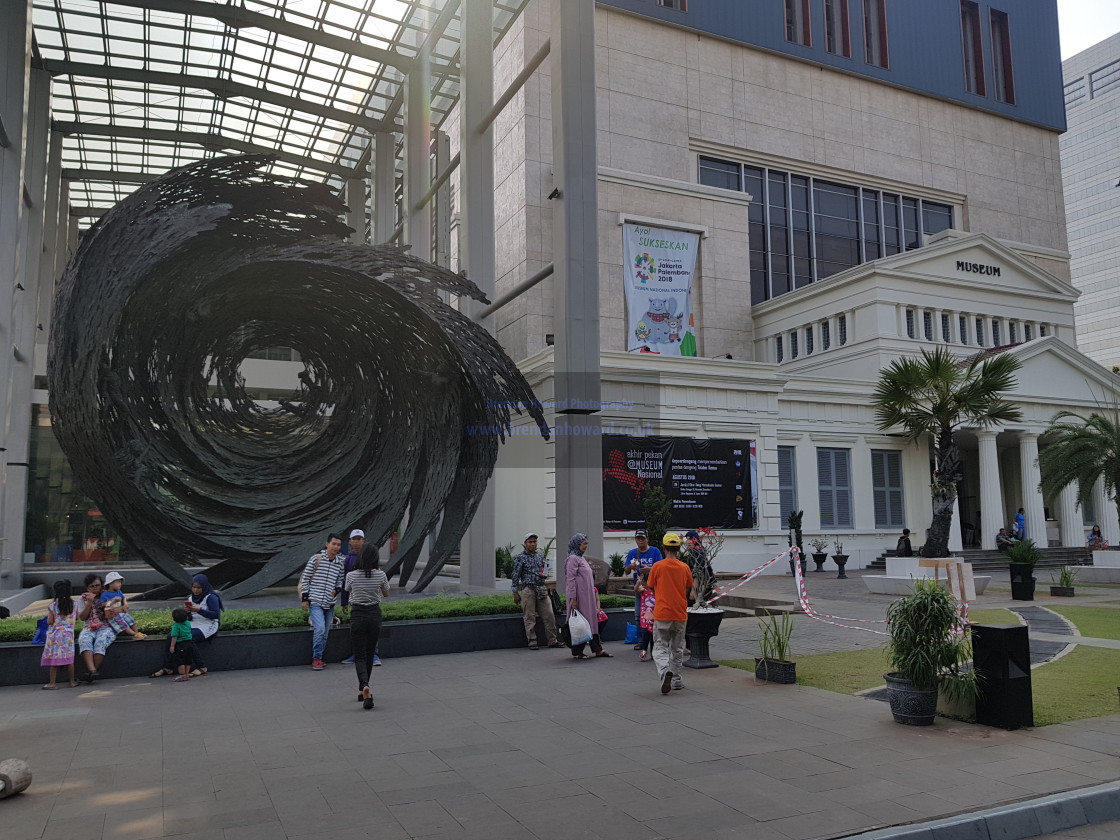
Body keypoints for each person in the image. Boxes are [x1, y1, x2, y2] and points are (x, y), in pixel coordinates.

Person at [645, 532, 694, 694]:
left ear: (664, 548)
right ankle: (677, 680)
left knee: (660, 647)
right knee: (677, 648)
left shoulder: (657, 567)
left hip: (662, 613)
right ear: (678, 549)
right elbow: (688, 589)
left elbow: (650, 586)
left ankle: (665, 670)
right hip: (680, 613)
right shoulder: (684, 567)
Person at [343, 543, 390, 709]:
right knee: (370, 653)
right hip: (374, 615)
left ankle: (363, 686)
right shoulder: (381, 575)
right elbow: (386, 593)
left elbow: (347, 590)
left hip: (357, 615)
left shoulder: (351, 575)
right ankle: (363, 688)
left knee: (359, 655)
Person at [151, 573, 222, 678]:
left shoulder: (211, 597)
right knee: (171, 636)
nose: (196, 590)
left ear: (204, 587)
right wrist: (187, 613)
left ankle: (201, 666)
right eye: (194, 587)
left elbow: (215, 615)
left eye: (199, 588)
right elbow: (190, 618)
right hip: (193, 623)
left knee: (188, 639)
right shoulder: (190, 598)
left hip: (208, 624)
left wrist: (199, 610)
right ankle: (167, 667)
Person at [299, 533, 346, 670]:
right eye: (334, 544)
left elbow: (340, 580)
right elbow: (305, 578)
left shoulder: (340, 562)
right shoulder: (316, 559)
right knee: (319, 629)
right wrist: (305, 599)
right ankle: (317, 658)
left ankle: (320, 657)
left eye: (338, 545)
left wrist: (336, 590)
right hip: (315, 601)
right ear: (327, 544)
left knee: (325, 633)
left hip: (330, 602)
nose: (336, 547)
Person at [511, 532, 562, 650]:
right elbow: (515, 576)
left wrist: (543, 575)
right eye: (530, 542)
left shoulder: (539, 556)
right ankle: (532, 641)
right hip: (528, 589)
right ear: (525, 543)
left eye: (534, 542)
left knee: (549, 615)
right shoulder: (520, 558)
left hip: (541, 588)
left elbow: (543, 571)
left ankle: (552, 640)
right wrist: (515, 592)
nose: (532, 544)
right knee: (529, 616)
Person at [565, 533, 611, 659]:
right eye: (583, 543)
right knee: (581, 623)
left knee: (591, 622)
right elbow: (570, 579)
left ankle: (597, 649)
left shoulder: (581, 558)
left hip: (587, 597)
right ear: (577, 544)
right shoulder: (572, 559)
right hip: (579, 597)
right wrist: (573, 599)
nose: (586, 546)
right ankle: (577, 651)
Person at [624, 529, 662, 646]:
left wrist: (650, 569)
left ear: (647, 539)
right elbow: (626, 571)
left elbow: (661, 568)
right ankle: (642, 642)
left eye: (643, 538)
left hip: (653, 589)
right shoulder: (632, 553)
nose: (640, 540)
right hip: (639, 588)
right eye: (638, 538)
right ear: (635, 540)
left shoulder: (655, 551)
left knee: (654, 614)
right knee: (638, 615)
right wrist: (630, 566)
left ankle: (655, 640)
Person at [76, 573, 115, 683]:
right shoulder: (82, 599)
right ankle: (93, 671)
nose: (95, 589)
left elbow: (114, 616)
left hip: (106, 626)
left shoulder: (108, 597)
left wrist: (108, 606)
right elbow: (82, 617)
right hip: (89, 626)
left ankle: (90, 673)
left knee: (101, 641)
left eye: (97, 585)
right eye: (92, 586)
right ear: (87, 588)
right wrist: (89, 603)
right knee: (84, 640)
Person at [41, 580, 78, 689]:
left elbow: (50, 621)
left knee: (54, 659)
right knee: (70, 659)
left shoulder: (53, 606)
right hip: (68, 635)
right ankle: (72, 682)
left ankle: (52, 683)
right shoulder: (74, 604)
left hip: (55, 635)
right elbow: (78, 617)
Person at [99, 571, 146, 639]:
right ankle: (134, 634)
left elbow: (123, 598)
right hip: (113, 615)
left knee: (130, 620)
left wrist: (125, 604)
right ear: (110, 584)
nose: (120, 584)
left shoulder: (119, 592)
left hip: (121, 612)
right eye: (118, 582)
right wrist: (113, 601)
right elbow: (102, 604)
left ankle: (137, 632)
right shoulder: (105, 594)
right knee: (122, 624)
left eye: (120, 582)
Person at [168, 608, 194, 683]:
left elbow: (174, 636)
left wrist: (172, 646)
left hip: (181, 644)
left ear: (174, 619)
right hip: (189, 643)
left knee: (181, 661)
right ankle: (187, 674)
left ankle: (182, 676)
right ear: (186, 617)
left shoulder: (176, 626)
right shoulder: (188, 623)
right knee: (188, 660)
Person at [636, 568, 655, 662]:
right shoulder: (643, 589)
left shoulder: (657, 589)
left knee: (653, 635)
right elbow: (636, 590)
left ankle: (653, 652)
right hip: (646, 616)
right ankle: (644, 649)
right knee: (645, 633)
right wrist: (638, 582)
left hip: (655, 616)